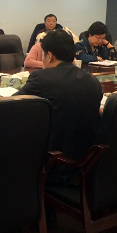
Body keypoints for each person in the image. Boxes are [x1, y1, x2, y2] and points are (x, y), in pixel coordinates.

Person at [14, 29, 102, 184]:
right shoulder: (92, 80)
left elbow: (12, 106)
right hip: (87, 164)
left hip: (54, 165)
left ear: (49, 56)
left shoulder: (41, 78)